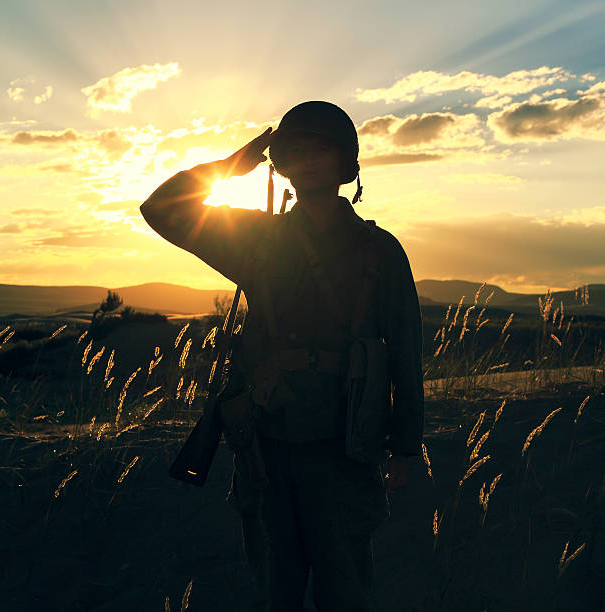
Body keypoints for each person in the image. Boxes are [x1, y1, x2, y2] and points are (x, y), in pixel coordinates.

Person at [140, 101, 424, 612]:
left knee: (347, 594)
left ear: (347, 164)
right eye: (298, 149)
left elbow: (405, 347)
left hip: (344, 448)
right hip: (268, 447)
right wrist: (232, 165)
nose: (311, 159)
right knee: (275, 593)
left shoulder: (380, 251)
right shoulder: (255, 239)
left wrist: (403, 445)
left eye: (324, 149)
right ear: (283, 164)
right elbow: (161, 209)